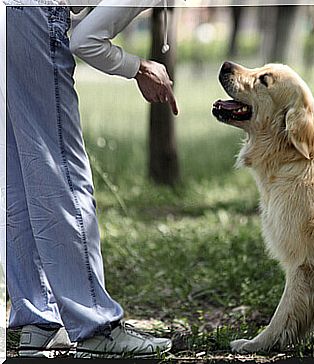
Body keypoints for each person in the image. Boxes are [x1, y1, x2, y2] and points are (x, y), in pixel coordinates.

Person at [6, 0, 178, 358]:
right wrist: (138, 67)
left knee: (22, 178)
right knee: (64, 175)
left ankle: (34, 322)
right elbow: (84, 40)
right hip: (36, 15)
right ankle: (95, 326)